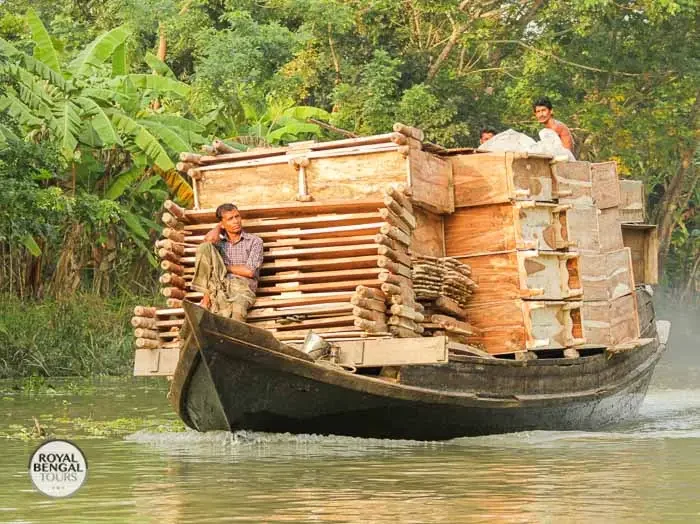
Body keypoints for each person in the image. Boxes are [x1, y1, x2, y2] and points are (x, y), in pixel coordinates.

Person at [190, 203, 263, 321]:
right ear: (222, 224)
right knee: (204, 248)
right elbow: (207, 242)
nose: (236, 221)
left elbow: (250, 271)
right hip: (221, 287)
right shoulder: (219, 244)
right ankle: (206, 299)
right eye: (230, 219)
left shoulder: (254, 241)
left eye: (237, 216)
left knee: (237, 312)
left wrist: (223, 268)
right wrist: (218, 228)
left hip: (243, 289)